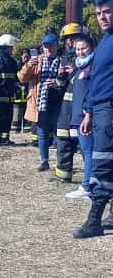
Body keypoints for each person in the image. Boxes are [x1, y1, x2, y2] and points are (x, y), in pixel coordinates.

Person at [75, 0, 113, 237]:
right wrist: (88, 111)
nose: (103, 17)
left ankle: (94, 221)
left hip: (109, 110)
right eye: (99, 13)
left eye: (107, 11)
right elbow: (97, 80)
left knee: (102, 163)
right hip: (99, 110)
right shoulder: (104, 42)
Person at [19, 33, 62, 172]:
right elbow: (22, 79)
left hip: (58, 102)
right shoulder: (36, 61)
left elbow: (68, 79)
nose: (48, 49)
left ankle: (62, 162)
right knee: (42, 133)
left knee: (59, 133)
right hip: (40, 102)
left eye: (51, 46)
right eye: (45, 46)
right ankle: (44, 161)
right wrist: (27, 66)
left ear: (56, 46)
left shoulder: (63, 60)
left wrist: (57, 81)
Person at [64, 34, 95, 200]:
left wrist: (88, 112)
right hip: (76, 116)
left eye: (84, 48)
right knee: (86, 151)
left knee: (89, 152)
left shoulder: (93, 67)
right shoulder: (78, 67)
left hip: (87, 118)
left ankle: (87, 186)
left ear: (92, 48)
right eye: (77, 49)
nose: (80, 52)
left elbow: (93, 91)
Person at [53, 23, 83, 183]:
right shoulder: (63, 58)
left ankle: (92, 179)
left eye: (74, 38)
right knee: (63, 141)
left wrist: (76, 72)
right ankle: (63, 175)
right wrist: (60, 77)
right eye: (67, 39)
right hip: (66, 109)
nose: (71, 42)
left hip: (81, 108)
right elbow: (59, 88)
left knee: (85, 146)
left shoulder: (88, 57)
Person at [0, 34, 19, 146]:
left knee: (8, 117)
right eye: (11, 47)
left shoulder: (12, 62)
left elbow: (15, 78)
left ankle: (5, 138)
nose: (12, 49)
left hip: (9, 95)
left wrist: (17, 89)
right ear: (5, 47)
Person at [12, 49, 31, 133]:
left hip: (28, 94)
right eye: (24, 55)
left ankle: (27, 130)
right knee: (17, 114)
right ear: (21, 56)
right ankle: (16, 130)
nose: (25, 57)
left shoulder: (32, 65)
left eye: (27, 55)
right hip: (18, 94)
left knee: (27, 114)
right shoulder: (17, 66)